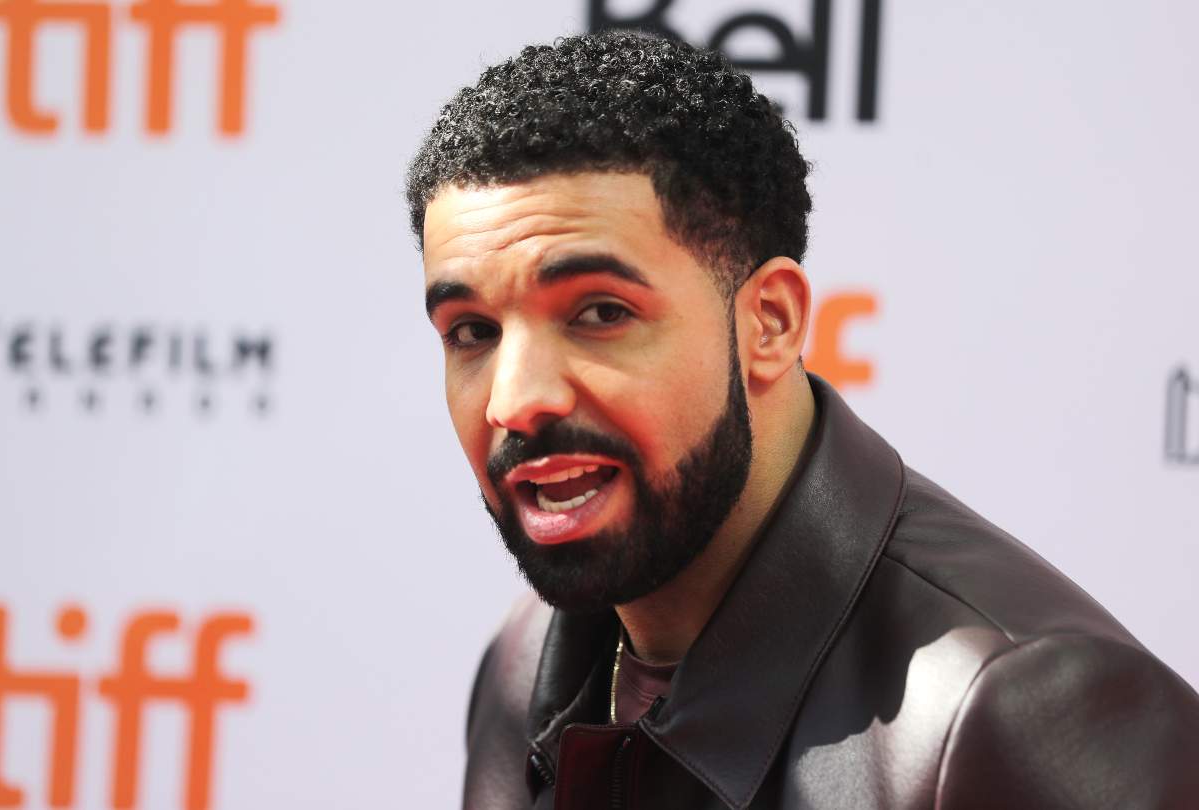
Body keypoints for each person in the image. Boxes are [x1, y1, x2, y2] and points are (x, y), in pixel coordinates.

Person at [405, 30, 1199, 810]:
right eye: (472, 331)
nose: (515, 400)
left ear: (770, 323)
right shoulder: (530, 654)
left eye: (600, 313)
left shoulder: (1013, 714)